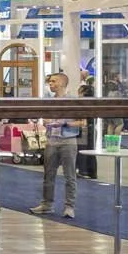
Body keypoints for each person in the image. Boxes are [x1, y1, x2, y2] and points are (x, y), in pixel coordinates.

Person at [31, 72, 86, 219]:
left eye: (54, 81)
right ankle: (47, 205)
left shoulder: (73, 101)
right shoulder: (49, 101)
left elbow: (82, 122)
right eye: (50, 81)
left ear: (62, 83)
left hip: (68, 140)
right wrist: (47, 122)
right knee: (48, 174)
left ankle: (69, 207)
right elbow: (45, 119)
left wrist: (65, 123)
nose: (50, 83)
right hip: (51, 140)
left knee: (70, 176)